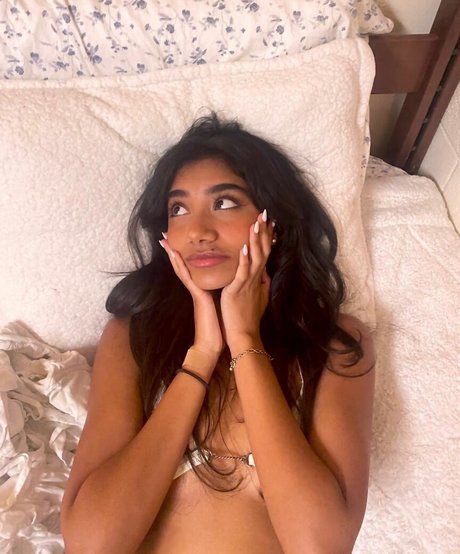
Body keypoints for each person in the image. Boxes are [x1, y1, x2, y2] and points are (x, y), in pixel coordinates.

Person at [60, 112, 375, 553]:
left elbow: (319, 545)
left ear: (273, 221)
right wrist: (202, 355)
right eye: (178, 209)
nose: (198, 232)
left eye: (224, 202)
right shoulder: (133, 338)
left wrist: (245, 341)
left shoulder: (332, 343)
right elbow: (92, 544)